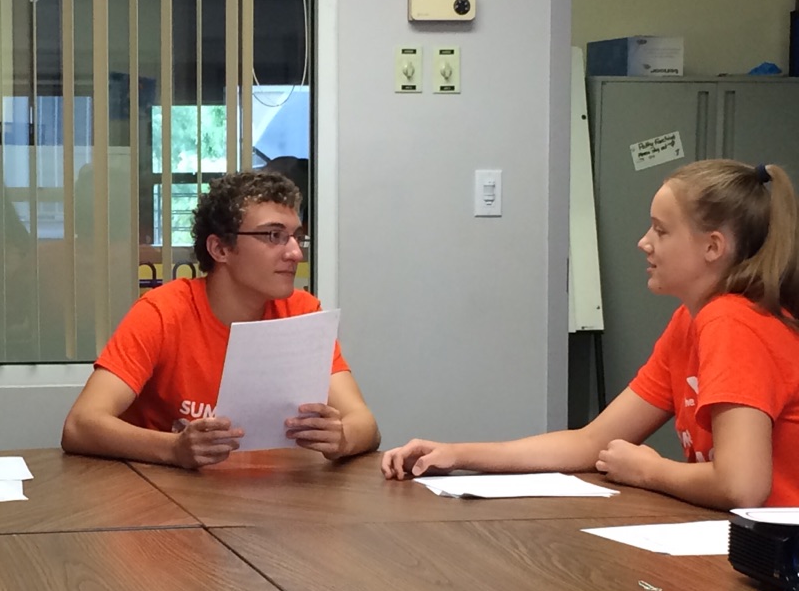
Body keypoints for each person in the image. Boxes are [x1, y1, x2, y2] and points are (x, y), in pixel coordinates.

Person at [383, 159, 799, 510]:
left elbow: (741, 485)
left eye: (661, 230)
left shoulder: (732, 321)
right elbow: (592, 441)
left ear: (713, 247)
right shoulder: (689, 323)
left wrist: (649, 471)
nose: (644, 243)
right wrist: (457, 454)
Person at [62, 170, 379, 469]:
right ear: (220, 248)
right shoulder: (163, 311)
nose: (295, 253)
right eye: (274, 235)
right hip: (167, 493)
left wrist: (342, 438)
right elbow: (80, 425)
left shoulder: (302, 312)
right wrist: (174, 449)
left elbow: (364, 423)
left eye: (297, 237)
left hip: (273, 495)